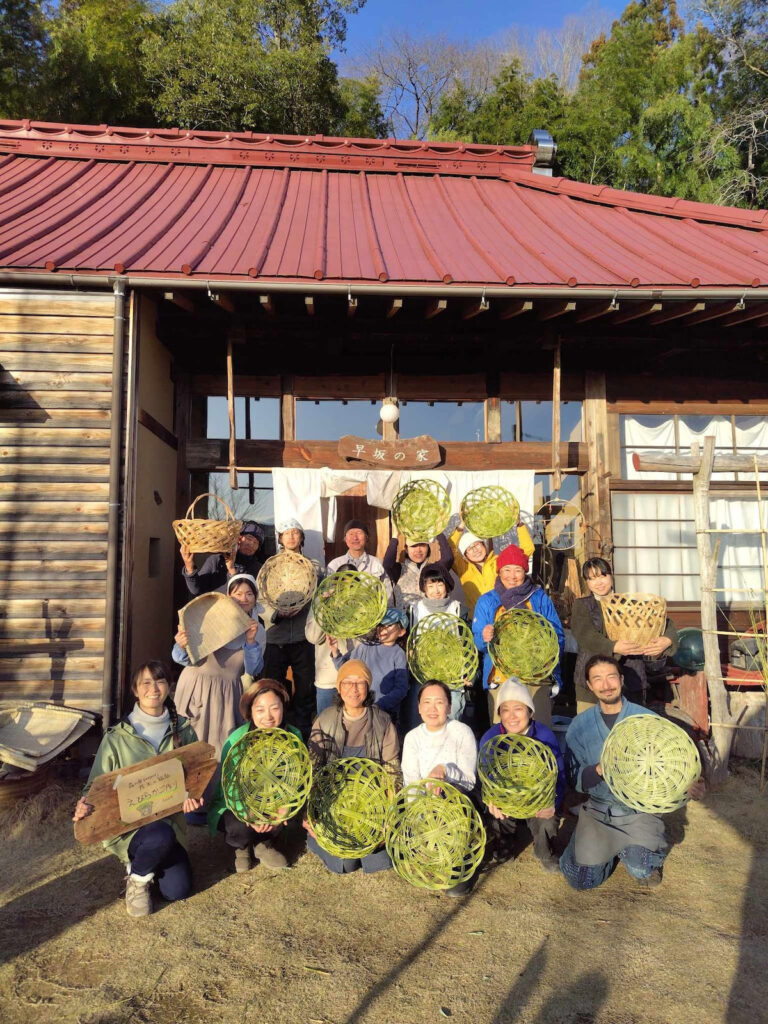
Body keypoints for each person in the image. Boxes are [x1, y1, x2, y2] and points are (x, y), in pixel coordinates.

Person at [560, 655, 705, 891]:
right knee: (581, 879)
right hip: (599, 811)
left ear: (622, 679)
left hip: (640, 810)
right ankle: (597, 846)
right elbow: (576, 781)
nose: (606, 685)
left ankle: (631, 849)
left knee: (642, 869)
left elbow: (673, 766)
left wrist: (690, 786)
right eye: (597, 679)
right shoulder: (579, 725)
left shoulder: (646, 719)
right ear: (588, 685)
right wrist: (598, 770)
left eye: (611, 677)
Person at [72, 661, 203, 917]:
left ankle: (150, 866)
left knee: (179, 890)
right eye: (146, 682)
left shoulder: (184, 729)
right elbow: (96, 783)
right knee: (159, 836)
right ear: (135, 690)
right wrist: (84, 803)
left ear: (168, 686)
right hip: (131, 829)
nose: (153, 688)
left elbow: (196, 774)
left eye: (160, 681)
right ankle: (138, 879)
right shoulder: (118, 736)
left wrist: (192, 796)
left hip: (169, 823)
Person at [305, 660, 401, 874]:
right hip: (334, 802)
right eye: (347, 682)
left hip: (370, 804)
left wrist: (390, 814)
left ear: (368, 688)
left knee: (377, 859)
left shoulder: (383, 721)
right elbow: (312, 768)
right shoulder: (326, 719)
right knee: (344, 864)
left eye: (360, 682)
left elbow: (392, 770)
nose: (354, 689)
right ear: (339, 688)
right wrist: (309, 813)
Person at [207, 678, 300, 872]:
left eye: (274, 708)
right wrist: (249, 815)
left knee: (289, 813)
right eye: (260, 709)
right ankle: (242, 847)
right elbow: (229, 787)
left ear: (283, 707)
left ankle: (264, 844)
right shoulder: (236, 739)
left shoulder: (294, 736)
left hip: (274, 803)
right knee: (238, 826)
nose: (268, 716)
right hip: (237, 805)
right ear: (250, 712)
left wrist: (283, 808)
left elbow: (297, 778)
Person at [173, 574, 265, 758]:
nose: (243, 599)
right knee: (187, 745)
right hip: (196, 687)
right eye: (237, 593)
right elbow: (180, 658)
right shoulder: (208, 619)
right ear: (228, 595)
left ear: (255, 599)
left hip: (227, 695)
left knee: (220, 750)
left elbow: (253, 670)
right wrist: (180, 645)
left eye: (249, 594)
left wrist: (250, 641)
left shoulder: (258, 630)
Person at [472, 544, 565, 728]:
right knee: (504, 736)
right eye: (506, 569)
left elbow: (558, 636)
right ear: (499, 571)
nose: (512, 576)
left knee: (539, 733)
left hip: (537, 676)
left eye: (518, 570)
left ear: (525, 571)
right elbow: (478, 642)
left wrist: (544, 650)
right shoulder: (487, 600)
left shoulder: (538, 598)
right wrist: (484, 637)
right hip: (500, 678)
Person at [478, 679, 564, 873]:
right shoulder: (490, 738)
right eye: (505, 710)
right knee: (497, 812)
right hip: (506, 802)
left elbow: (559, 775)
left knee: (547, 819)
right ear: (499, 713)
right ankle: (505, 844)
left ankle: (544, 851)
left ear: (530, 711)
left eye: (518, 708)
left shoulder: (544, 736)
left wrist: (553, 804)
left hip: (537, 801)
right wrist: (490, 800)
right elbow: (484, 777)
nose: (512, 716)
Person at [571, 558, 679, 713]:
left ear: (611, 576)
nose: (598, 582)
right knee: (593, 729)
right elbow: (585, 635)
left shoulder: (630, 603)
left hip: (630, 676)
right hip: (593, 680)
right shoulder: (583, 606)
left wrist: (667, 640)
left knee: (629, 729)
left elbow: (664, 622)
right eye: (592, 578)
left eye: (602, 576)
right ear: (587, 583)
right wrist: (614, 646)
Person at [401, 680, 479, 896]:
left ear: (449, 706)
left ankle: (463, 854)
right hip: (426, 809)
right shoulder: (412, 738)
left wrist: (444, 771)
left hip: (457, 806)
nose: (432, 708)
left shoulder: (462, 732)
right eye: (426, 702)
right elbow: (411, 783)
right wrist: (417, 827)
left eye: (439, 702)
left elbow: (469, 782)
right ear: (418, 707)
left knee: (454, 887)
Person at [261, 518, 323, 739]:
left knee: (305, 689)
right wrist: (276, 614)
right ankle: (274, 732)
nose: (291, 537)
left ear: (302, 538)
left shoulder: (314, 567)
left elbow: (320, 597)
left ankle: (304, 734)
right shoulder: (270, 566)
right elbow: (261, 597)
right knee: (272, 686)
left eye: (295, 533)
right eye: (286, 533)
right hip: (275, 637)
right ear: (280, 538)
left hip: (302, 636)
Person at [408, 564, 472, 724]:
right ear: (424, 587)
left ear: (447, 585)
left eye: (439, 584)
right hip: (423, 675)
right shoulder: (414, 610)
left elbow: (467, 642)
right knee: (422, 723)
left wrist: (469, 671)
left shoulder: (458, 609)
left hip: (453, 675)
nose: (436, 590)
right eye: (430, 585)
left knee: (451, 722)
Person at [327, 608, 408, 719]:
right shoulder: (366, 647)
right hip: (359, 709)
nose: (383, 629)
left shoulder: (399, 654)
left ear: (401, 632)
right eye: (380, 625)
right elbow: (346, 670)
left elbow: (401, 689)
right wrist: (335, 651)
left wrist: (378, 706)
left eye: (389, 625)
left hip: (385, 714)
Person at [447, 518, 534, 618]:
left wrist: (519, 524)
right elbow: (449, 548)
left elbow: (527, 549)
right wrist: (461, 525)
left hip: (503, 619)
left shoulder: (499, 561)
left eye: (477, 545)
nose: (475, 550)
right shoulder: (463, 568)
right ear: (465, 555)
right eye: (470, 549)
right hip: (478, 621)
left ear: (484, 545)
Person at [180, 520, 265, 597]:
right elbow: (196, 590)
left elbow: (243, 597)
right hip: (216, 612)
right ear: (238, 538)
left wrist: (231, 569)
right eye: (249, 538)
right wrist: (189, 567)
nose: (251, 544)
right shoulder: (216, 560)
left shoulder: (258, 569)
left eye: (256, 543)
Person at [383, 531, 454, 613]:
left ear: (428, 547)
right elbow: (387, 564)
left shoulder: (433, 569)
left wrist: (438, 531)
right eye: (414, 546)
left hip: (430, 622)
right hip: (405, 623)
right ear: (406, 548)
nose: (418, 550)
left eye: (422, 545)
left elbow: (448, 558)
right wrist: (395, 536)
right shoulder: (399, 569)